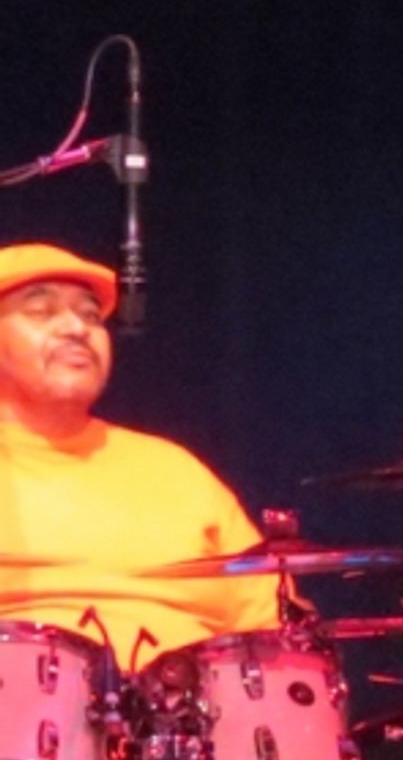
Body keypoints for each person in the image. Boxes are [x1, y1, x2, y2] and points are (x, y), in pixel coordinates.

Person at [0, 241, 279, 669]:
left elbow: (276, 630)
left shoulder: (175, 470)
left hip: (198, 723)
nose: (77, 328)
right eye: (42, 312)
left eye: (91, 315)